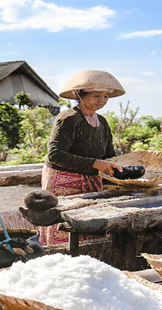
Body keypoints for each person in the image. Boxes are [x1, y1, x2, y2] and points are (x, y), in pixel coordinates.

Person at [39, 69, 125, 245]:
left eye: (105, 97)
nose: (102, 101)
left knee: (91, 224)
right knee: (65, 225)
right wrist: (95, 163)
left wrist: (120, 166)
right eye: (96, 96)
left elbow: (109, 154)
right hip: (64, 180)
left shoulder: (102, 121)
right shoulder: (68, 118)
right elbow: (55, 155)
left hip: (92, 179)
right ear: (80, 95)